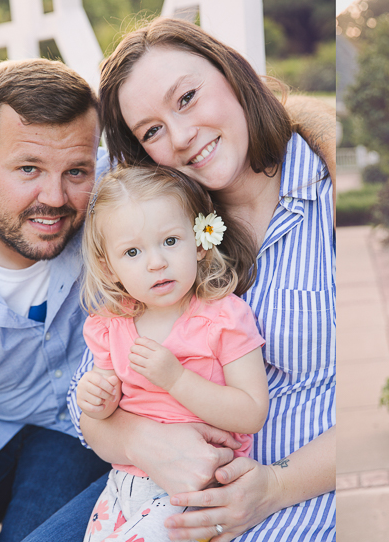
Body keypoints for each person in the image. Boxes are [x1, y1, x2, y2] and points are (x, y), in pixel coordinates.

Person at [25, 17, 336, 542]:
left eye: (187, 97)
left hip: (302, 490)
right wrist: (147, 442)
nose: (182, 136)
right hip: (157, 484)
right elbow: (90, 399)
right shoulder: (158, 226)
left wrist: (276, 487)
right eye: (151, 131)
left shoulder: (329, 198)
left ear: (233, 74)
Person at [0, 59, 111, 542]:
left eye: (76, 170)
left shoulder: (118, 194)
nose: (54, 198)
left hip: (85, 429)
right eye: (29, 168)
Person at [75, 166, 269, 541]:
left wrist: (176, 378)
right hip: (124, 482)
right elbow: (107, 410)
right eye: (132, 251)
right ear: (108, 267)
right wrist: (96, 397)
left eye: (170, 241)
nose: (156, 262)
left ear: (199, 242)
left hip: (196, 489)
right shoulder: (110, 326)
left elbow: (251, 412)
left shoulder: (223, 318)